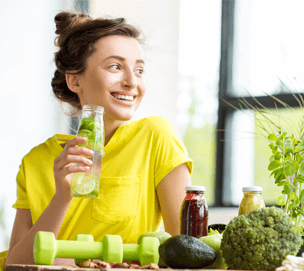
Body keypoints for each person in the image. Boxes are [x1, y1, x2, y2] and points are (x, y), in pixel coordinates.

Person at [1, 11, 192, 269]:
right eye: (115, 66)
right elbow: (17, 264)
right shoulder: (35, 162)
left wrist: (73, 260)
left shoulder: (156, 137)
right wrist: (62, 196)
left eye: (139, 70)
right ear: (74, 80)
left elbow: (189, 252)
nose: (131, 82)